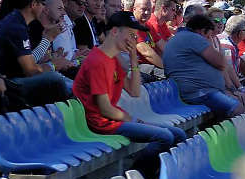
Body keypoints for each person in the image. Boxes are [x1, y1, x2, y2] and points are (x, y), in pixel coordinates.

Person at [74, 11, 180, 161]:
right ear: (115, 31)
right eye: (131, 34)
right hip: (100, 124)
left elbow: (134, 91)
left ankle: (155, 176)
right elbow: (105, 109)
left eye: (135, 36)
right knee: (165, 137)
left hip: (113, 120)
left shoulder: (113, 59)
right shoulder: (97, 61)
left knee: (177, 134)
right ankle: (138, 176)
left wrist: (133, 60)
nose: (134, 40)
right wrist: (133, 119)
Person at [0, 0, 73, 105]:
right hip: (8, 83)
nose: (44, 7)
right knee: (55, 79)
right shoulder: (16, 26)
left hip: (10, 78)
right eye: (43, 3)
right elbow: (30, 70)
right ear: (33, 5)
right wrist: (52, 61)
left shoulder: (18, 21)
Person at [163, 12, 243, 117]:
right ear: (201, 31)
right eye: (208, 36)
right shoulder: (193, 38)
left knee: (240, 103)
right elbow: (221, 62)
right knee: (239, 109)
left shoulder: (182, 36)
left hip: (200, 91)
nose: (209, 39)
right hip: (199, 93)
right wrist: (209, 44)